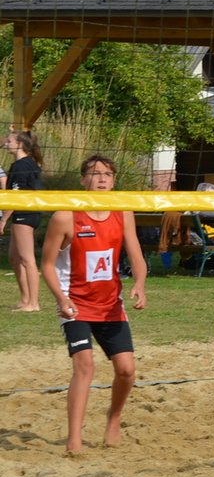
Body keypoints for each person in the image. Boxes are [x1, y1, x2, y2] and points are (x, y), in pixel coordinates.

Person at [38, 154, 147, 453]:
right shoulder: (65, 216)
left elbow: (136, 255)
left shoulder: (122, 211)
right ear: (83, 179)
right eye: (95, 173)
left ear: (113, 181)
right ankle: (74, 439)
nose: (101, 178)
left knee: (126, 370)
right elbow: (46, 265)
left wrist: (140, 283)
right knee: (84, 366)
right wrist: (61, 299)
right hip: (74, 304)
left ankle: (114, 418)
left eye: (107, 174)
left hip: (110, 303)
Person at [1, 129, 45, 312]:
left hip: (25, 214)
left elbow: (15, 197)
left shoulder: (22, 165)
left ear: (20, 144)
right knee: (14, 257)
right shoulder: (27, 163)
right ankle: (25, 299)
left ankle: (33, 303)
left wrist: (3, 220)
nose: (6, 143)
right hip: (26, 213)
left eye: (9, 140)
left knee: (27, 259)